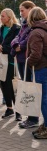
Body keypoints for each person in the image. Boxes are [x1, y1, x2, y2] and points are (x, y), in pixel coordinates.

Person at [10, 1, 39, 129]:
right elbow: (17, 37)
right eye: (20, 11)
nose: (21, 13)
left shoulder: (33, 25)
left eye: (23, 10)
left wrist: (20, 46)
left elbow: (29, 40)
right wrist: (16, 44)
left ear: (31, 9)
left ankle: (33, 118)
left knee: (31, 89)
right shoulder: (23, 24)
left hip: (29, 60)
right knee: (26, 87)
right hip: (21, 59)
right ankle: (30, 117)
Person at [0, 8, 21, 120]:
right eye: (1, 16)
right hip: (1, 61)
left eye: (3, 16)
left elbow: (16, 43)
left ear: (9, 17)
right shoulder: (1, 28)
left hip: (11, 61)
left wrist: (3, 47)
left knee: (13, 86)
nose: (1, 18)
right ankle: (9, 108)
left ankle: (18, 112)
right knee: (4, 85)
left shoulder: (17, 28)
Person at [26, 7, 47, 139]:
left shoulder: (36, 32)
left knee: (44, 99)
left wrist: (29, 63)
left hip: (42, 68)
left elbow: (36, 54)